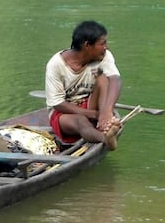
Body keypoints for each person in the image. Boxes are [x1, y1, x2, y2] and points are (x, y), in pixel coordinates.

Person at [45, 20, 122, 151]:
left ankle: (105, 123)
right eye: (102, 43)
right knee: (81, 121)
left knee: (103, 79)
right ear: (87, 45)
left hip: (90, 103)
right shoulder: (56, 65)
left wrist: (106, 111)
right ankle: (106, 138)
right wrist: (93, 114)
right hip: (63, 113)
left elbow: (115, 79)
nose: (106, 47)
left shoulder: (103, 56)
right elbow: (58, 103)